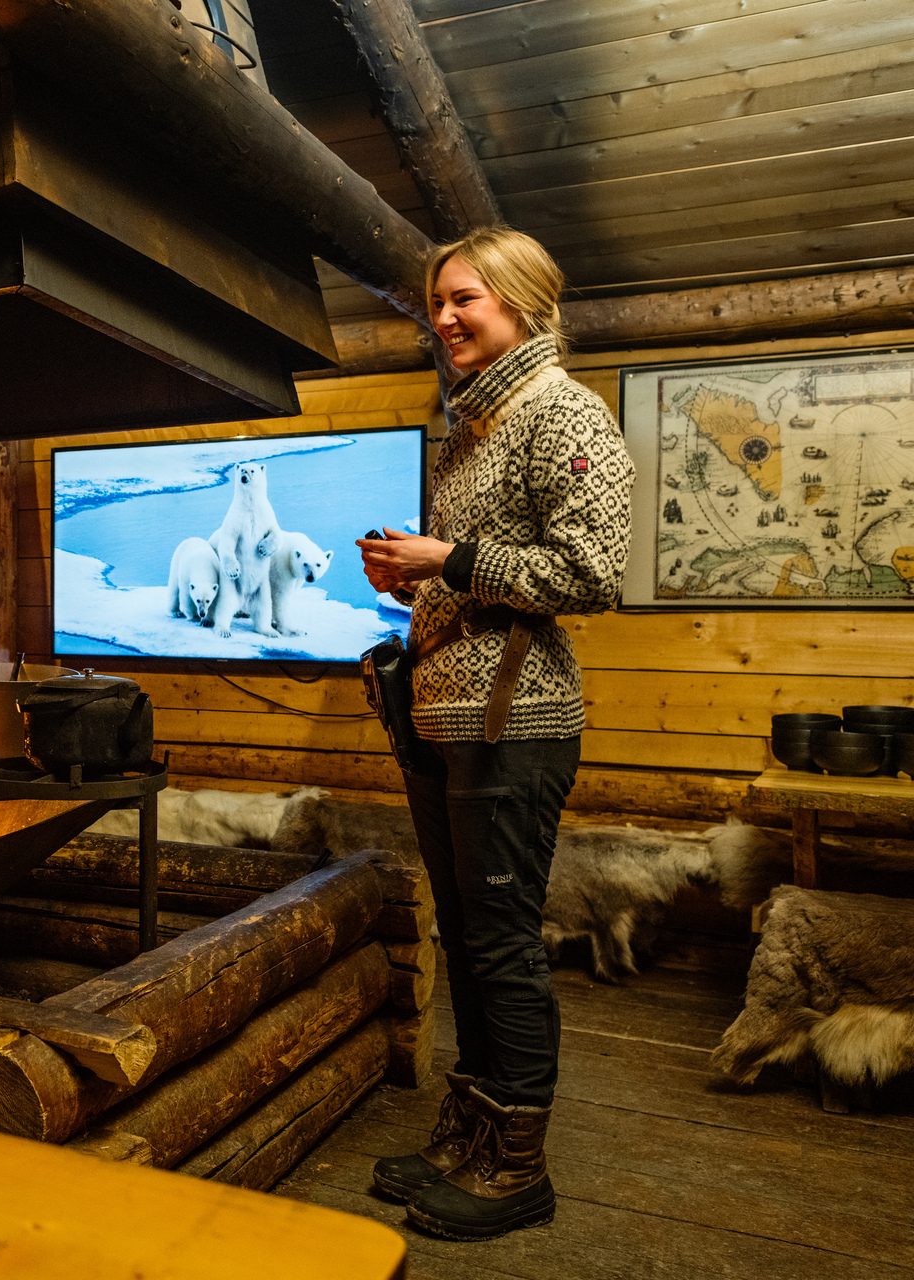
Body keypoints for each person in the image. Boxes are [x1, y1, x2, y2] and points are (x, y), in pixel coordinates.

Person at [356, 226, 633, 1241]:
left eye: (463, 297)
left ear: (521, 300)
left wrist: (451, 557)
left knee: (505, 945)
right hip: (449, 718)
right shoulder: (480, 427)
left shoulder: (565, 413)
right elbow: (482, 564)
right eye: (437, 301)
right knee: (469, 938)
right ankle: (468, 1133)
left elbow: (593, 571)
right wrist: (418, 570)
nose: (442, 317)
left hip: (516, 724)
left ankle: (517, 1166)